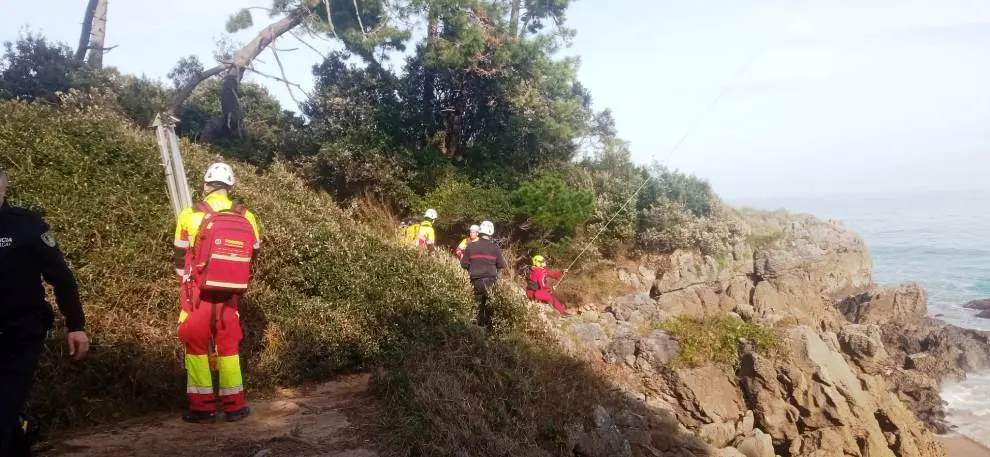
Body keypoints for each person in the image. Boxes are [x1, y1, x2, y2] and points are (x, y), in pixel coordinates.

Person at [0, 168, 90, 457]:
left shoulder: (26, 226)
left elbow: (61, 277)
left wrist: (76, 325)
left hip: (20, 335)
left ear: (3, 191)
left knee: (2, 404)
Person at [173, 162, 260, 424]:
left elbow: (179, 253)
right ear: (230, 188)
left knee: (197, 345)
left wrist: (185, 283)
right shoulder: (247, 215)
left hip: (197, 293)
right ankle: (235, 406)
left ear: (206, 185)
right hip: (230, 295)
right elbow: (253, 252)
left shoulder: (190, 214)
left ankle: (203, 409)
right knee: (229, 347)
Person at [460, 220, 506, 331]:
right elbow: (501, 265)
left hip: (476, 281)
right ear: (491, 232)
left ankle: (475, 330)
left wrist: (472, 267)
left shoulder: (470, 246)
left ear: (480, 231)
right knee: (489, 307)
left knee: (476, 306)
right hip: (491, 281)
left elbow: (463, 264)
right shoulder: (495, 247)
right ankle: (489, 331)